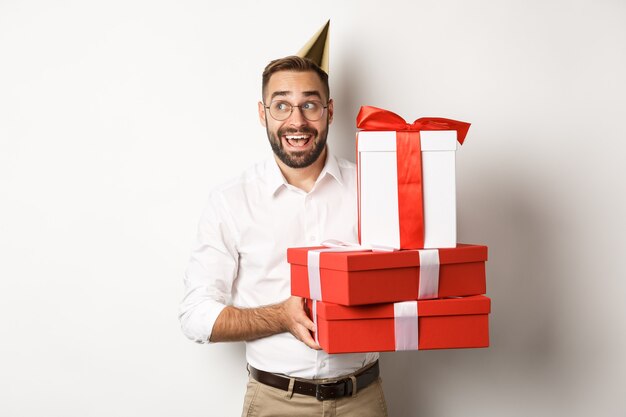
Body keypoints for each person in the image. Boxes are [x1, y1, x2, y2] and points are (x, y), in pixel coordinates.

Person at [179, 54, 388, 416]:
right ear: (263, 114)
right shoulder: (231, 201)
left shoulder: (373, 189)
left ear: (330, 111)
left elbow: (406, 280)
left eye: (309, 104)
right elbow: (196, 316)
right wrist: (280, 316)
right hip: (276, 403)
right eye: (281, 105)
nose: (297, 120)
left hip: (363, 400)